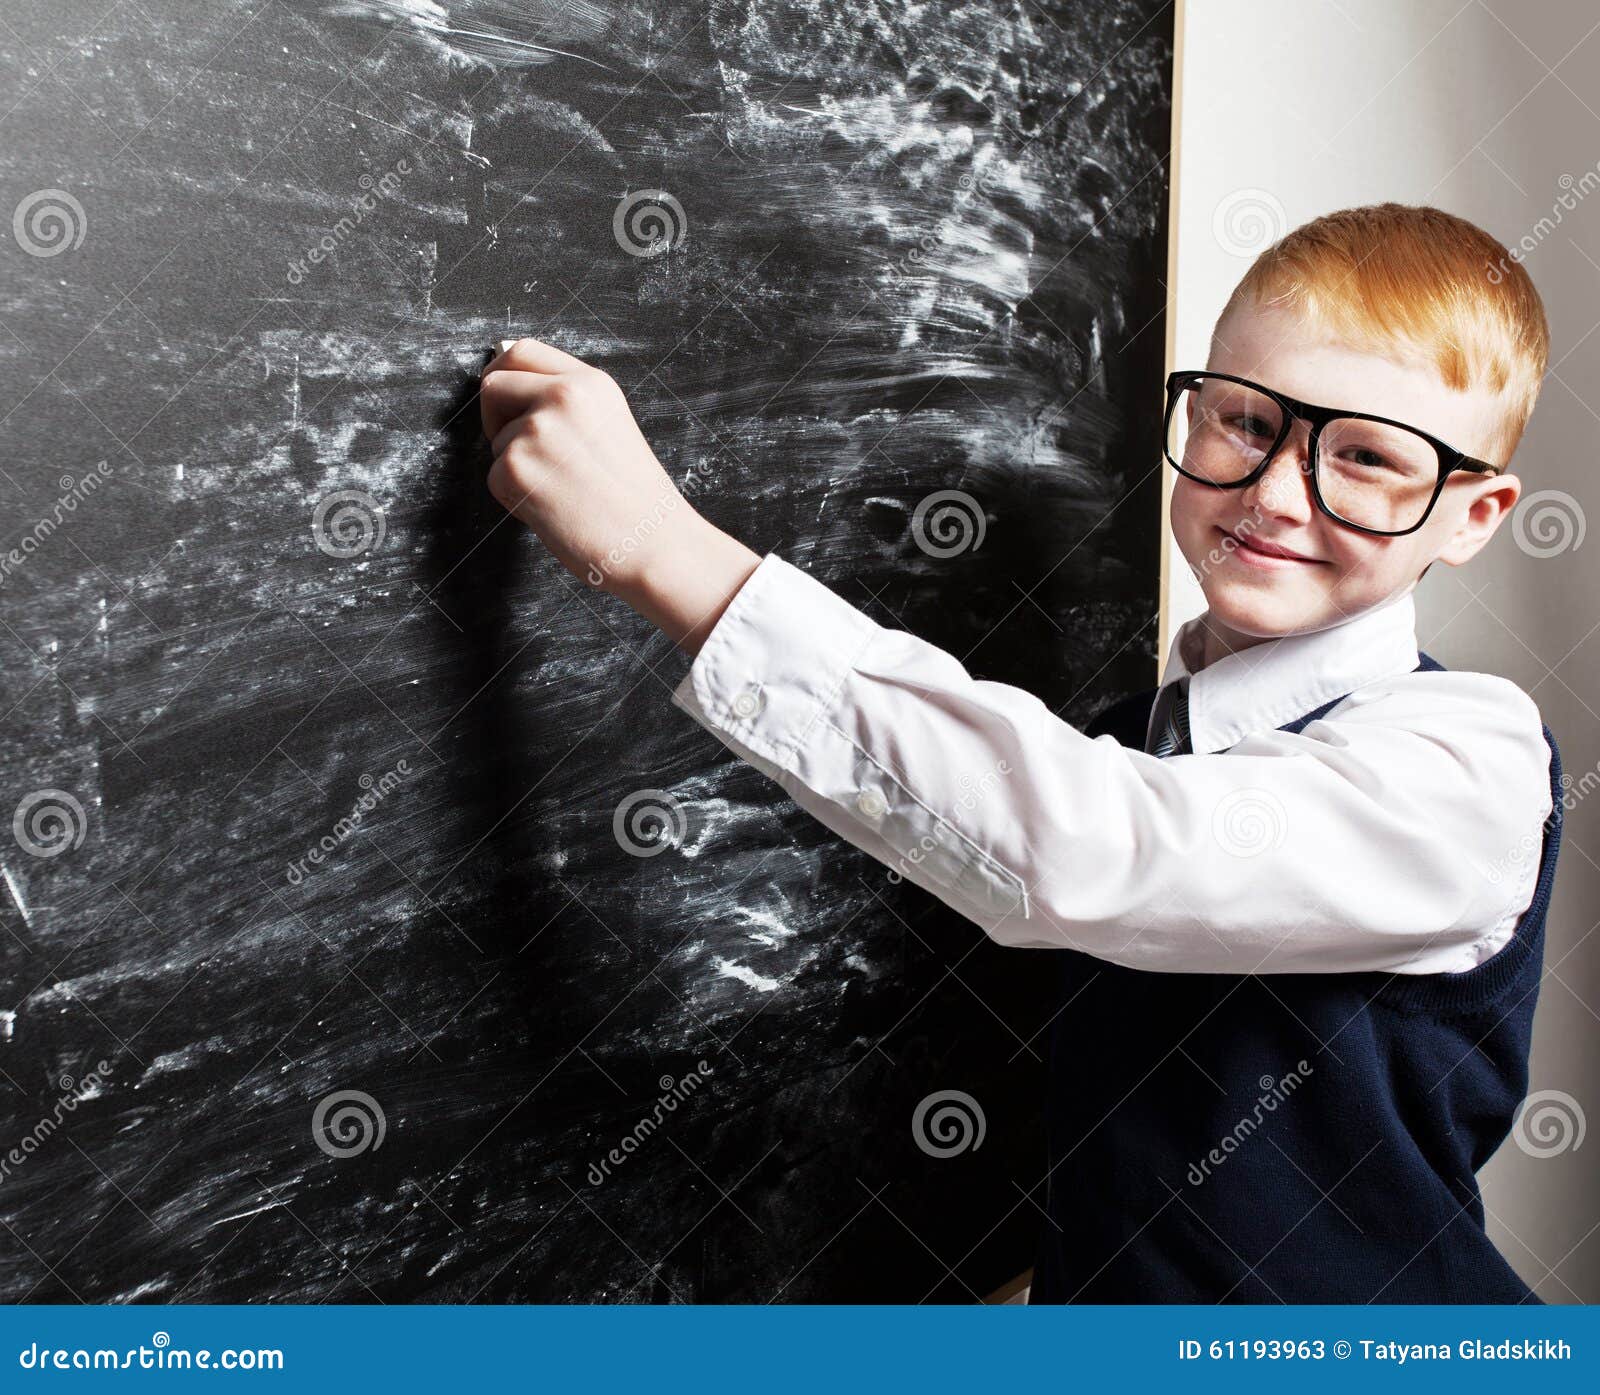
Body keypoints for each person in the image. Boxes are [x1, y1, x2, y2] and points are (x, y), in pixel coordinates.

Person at [476, 202, 1562, 1302]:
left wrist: (667, 551)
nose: (1277, 492)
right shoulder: (1145, 736)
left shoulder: (1471, 763)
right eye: (1243, 420)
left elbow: (1102, 848)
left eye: (1370, 458)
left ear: (1473, 516)